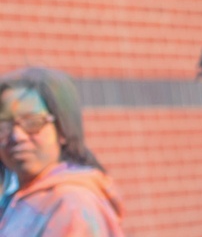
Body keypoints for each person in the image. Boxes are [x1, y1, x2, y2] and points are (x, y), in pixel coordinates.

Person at [0, 67, 125, 236]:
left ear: (62, 130)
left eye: (33, 122)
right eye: (4, 125)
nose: (17, 136)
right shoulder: (16, 200)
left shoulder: (72, 204)